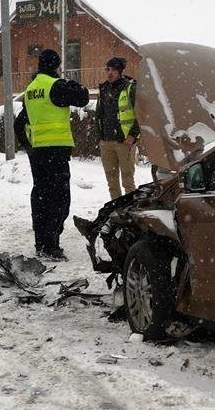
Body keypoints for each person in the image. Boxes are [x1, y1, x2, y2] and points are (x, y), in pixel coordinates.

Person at [14, 48, 89, 260]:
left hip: (37, 152)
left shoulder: (31, 89)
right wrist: (67, 81)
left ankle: (40, 243)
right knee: (59, 198)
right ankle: (51, 245)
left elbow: (19, 122)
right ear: (56, 65)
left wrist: (27, 145)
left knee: (40, 196)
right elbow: (83, 96)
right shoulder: (55, 86)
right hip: (56, 151)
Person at [95, 55, 140, 199]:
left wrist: (133, 135)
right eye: (107, 69)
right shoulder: (103, 89)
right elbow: (99, 114)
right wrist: (100, 137)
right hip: (106, 141)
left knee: (128, 181)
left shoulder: (129, 87)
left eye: (113, 70)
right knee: (111, 182)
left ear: (120, 71)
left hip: (124, 142)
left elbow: (141, 114)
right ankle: (115, 210)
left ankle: (130, 212)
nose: (110, 73)